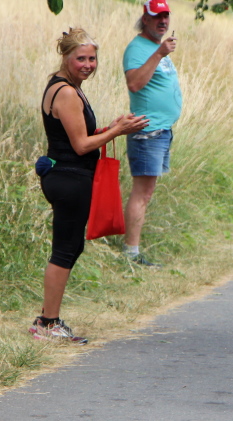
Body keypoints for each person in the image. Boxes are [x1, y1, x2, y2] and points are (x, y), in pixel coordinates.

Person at [32, 28, 148, 344]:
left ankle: (46, 318)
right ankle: (48, 324)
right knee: (65, 248)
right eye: (80, 58)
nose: (87, 65)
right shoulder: (67, 92)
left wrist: (110, 127)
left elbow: (78, 134)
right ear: (66, 57)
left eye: (92, 59)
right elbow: (81, 145)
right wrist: (117, 132)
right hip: (69, 178)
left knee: (70, 247)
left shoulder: (68, 86)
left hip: (68, 175)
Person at [122, 0, 182, 266]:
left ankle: (132, 250)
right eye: (157, 16)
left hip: (160, 130)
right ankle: (131, 253)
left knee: (146, 192)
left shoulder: (154, 47)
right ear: (145, 18)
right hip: (147, 131)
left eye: (166, 16)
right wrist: (159, 54)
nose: (163, 21)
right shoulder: (138, 48)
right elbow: (135, 83)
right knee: (142, 193)